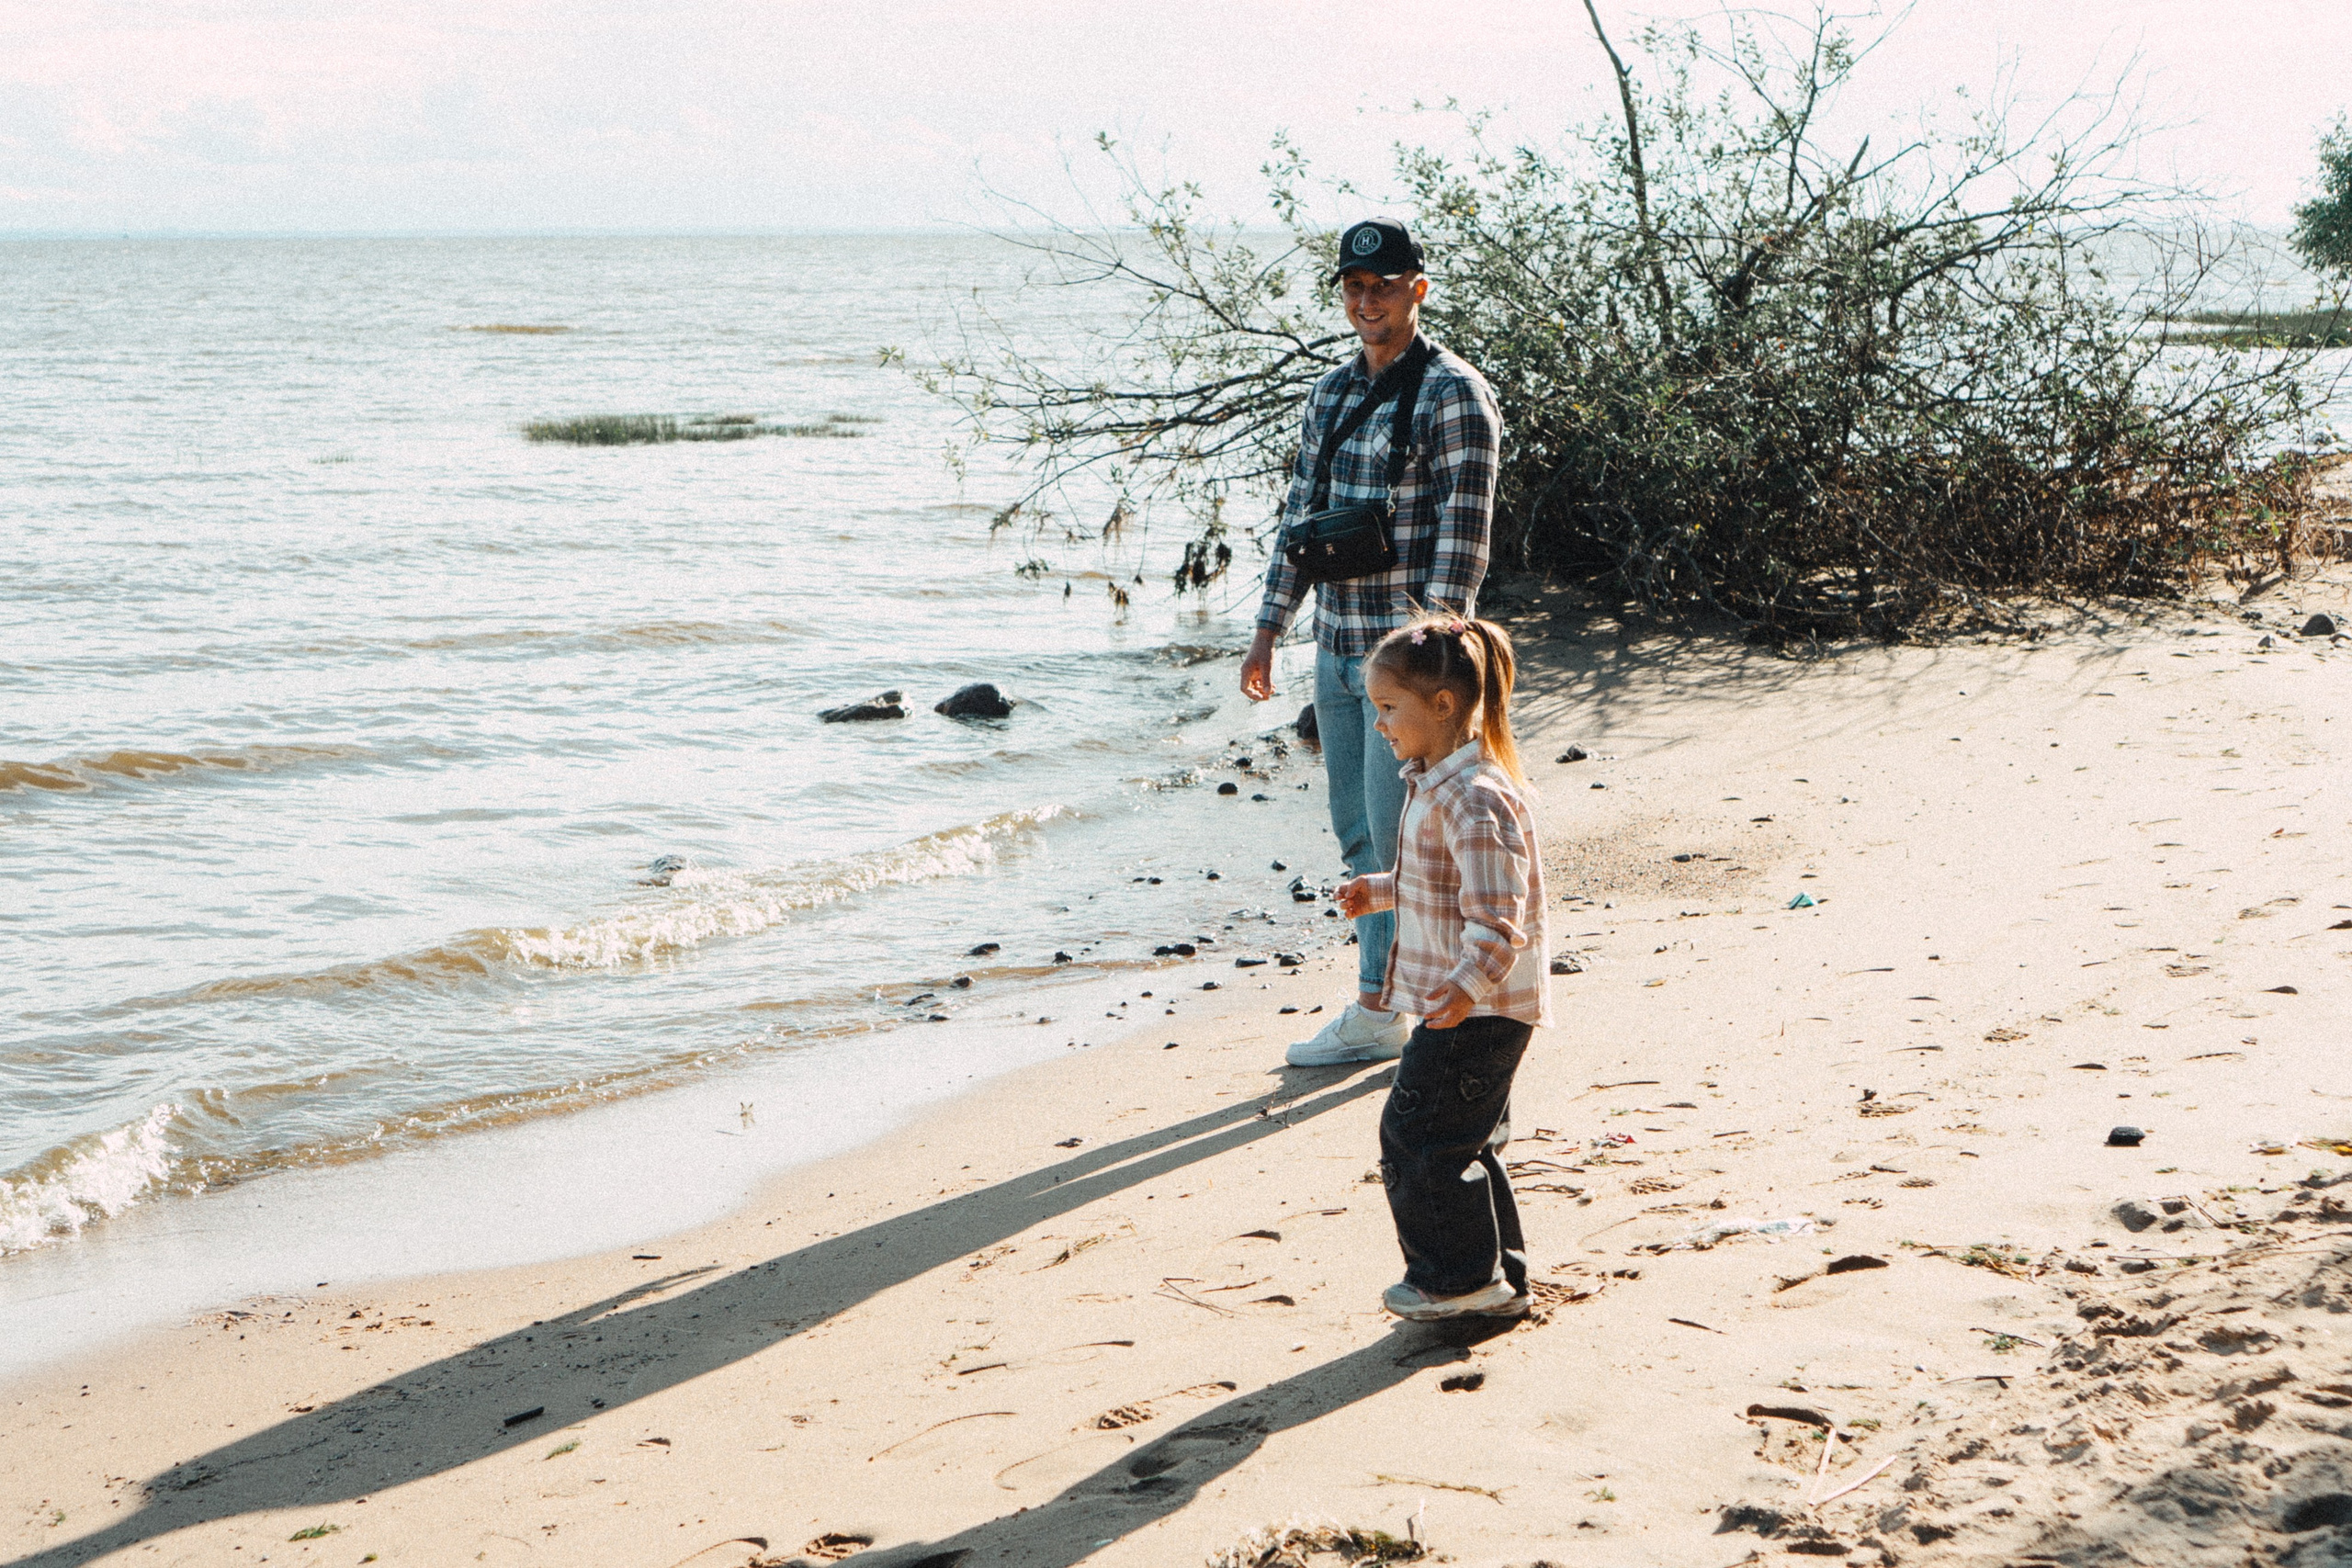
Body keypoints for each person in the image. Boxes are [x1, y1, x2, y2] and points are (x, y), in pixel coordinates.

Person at [1241, 217, 1503, 1068]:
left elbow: (1464, 533)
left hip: (1409, 662)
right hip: (1334, 645)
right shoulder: (1329, 393)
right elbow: (1299, 520)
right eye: (1354, 287)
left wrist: (1438, 655)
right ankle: (1393, 995)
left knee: (1411, 840)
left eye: (1384, 286)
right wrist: (1267, 629)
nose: (1366, 301)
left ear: (1418, 289)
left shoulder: (1454, 392)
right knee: (1358, 833)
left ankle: (1399, 1001)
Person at [1333, 612, 1548, 1320]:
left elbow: (1496, 919)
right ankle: (1496, 1276)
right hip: (1470, 1003)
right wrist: (1383, 889)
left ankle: (1454, 1278)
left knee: (1416, 1135)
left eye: (1389, 709)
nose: (1379, 726)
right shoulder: (1442, 783)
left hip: (1474, 1009)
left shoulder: (1475, 798)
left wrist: (1461, 987)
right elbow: (1449, 881)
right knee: (1467, 1139)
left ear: (1444, 704)